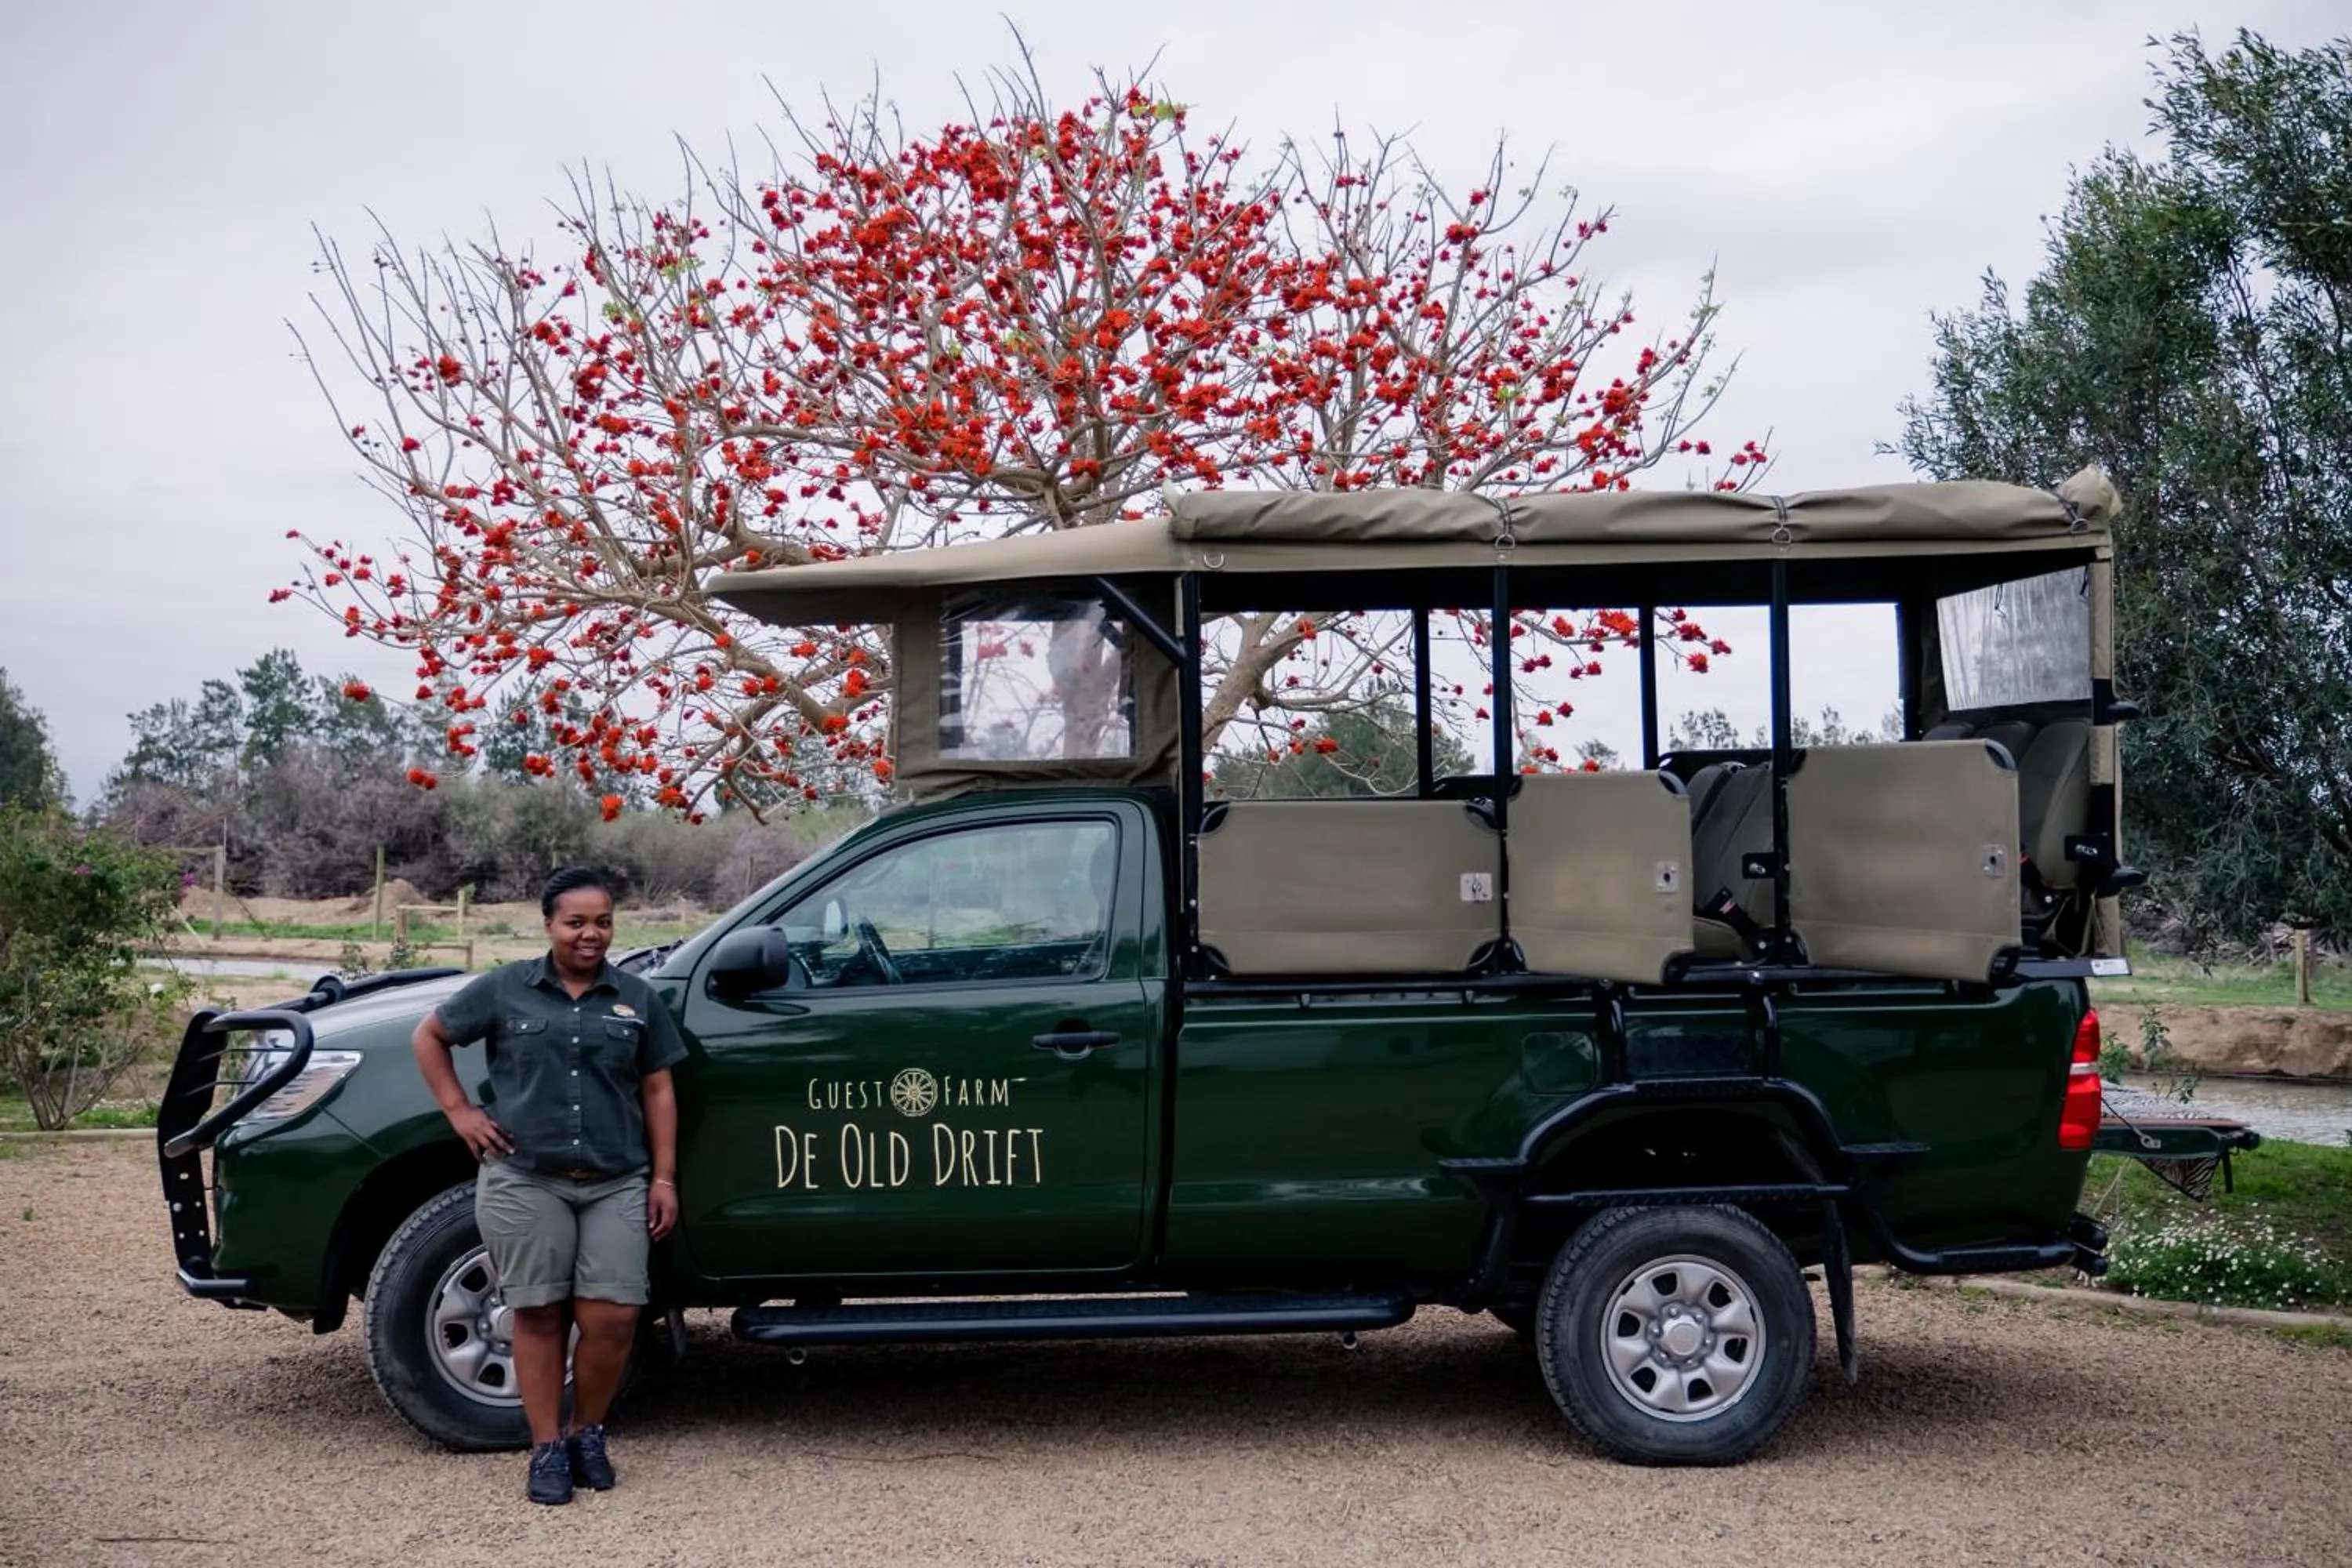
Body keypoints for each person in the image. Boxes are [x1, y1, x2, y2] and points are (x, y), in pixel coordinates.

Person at [410, 866, 686, 1506]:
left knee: (613, 1317)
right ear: (549, 926)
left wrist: (663, 1177)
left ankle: (588, 1431)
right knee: (536, 1314)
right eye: (576, 922)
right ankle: (546, 1449)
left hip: (616, 1181)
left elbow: (658, 1088)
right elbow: (430, 1036)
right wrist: (461, 1112)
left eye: (603, 922)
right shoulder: (507, 989)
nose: (591, 935)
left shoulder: (636, 998)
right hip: (525, 1179)